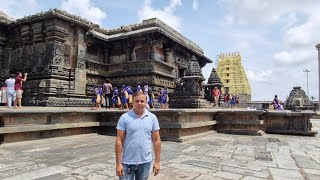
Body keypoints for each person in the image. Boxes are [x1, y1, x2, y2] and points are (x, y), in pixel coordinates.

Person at [115, 91, 161, 179]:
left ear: (146, 102)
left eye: (142, 101)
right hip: (127, 162)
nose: (139, 103)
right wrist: (118, 163)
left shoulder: (152, 118)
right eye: (137, 101)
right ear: (132, 102)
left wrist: (157, 162)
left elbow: (156, 140)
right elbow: (119, 140)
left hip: (145, 161)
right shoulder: (125, 117)